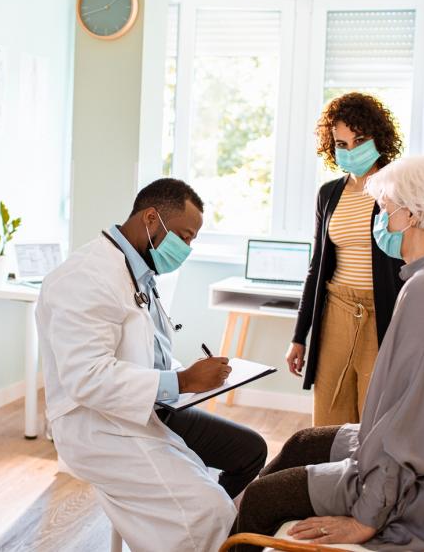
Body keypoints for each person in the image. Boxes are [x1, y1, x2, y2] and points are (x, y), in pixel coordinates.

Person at [232, 156, 424, 552]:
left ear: (412, 214)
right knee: (303, 442)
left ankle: (227, 534)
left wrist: (365, 516)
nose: (381, 221)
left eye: (386, 210)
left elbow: (408, 425)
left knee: (262, 500)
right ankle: (224, 524)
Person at [36, 178, 267, 552]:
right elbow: (86, 378)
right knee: (207, 509)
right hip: (96, 424)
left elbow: (146, 351)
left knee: (247, 453)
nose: (187, 249)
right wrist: (183, 380)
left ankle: (205, 528)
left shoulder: (138, 269)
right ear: (151, 218)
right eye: (184, 236)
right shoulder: (86, 277)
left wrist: (186, 375)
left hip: (147, 409)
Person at [285, 92, 405, 425]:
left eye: (360, 140)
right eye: (342, 143)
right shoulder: (329, 194)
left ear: (378, 138)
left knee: (375, 413)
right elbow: (316, 268)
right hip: (335, 310)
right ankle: (329, 477)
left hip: (382, 312)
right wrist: (299, 336)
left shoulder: (399, 188)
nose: (351, 150)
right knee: (329, 413)